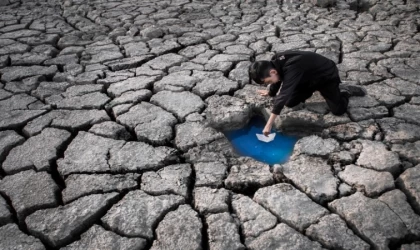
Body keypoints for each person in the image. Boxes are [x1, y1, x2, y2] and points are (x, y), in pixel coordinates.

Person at [249, 50, 366, 136]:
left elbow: (284, 93)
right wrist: (271, 92)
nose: (268, 83)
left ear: (272, 71)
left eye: (267, 82)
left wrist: (269, 124)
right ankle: (310, 91)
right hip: (305, 79)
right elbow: (277, 79)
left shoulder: (292, 67)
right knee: (290, 102)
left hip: (325, 76)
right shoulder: (275, 63)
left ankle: (344, 92)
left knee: (338, 110)